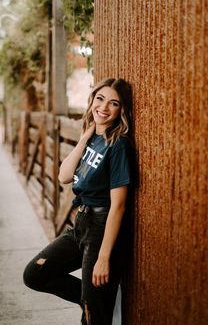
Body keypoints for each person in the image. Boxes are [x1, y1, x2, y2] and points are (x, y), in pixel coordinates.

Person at [23, 78, 134, 325]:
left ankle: (96, 302)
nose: (104, 107)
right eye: (100, 99)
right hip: (81, 224)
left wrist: (104, 257)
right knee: (34, 274)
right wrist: (84, 138)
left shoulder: (118, 146)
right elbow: (64, 176)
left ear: (121, 110)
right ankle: (94, 299)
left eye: (113, 103)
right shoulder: (93, 137)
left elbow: (119, 206)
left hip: (102, 228)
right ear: (92, 100)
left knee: (93, 319)